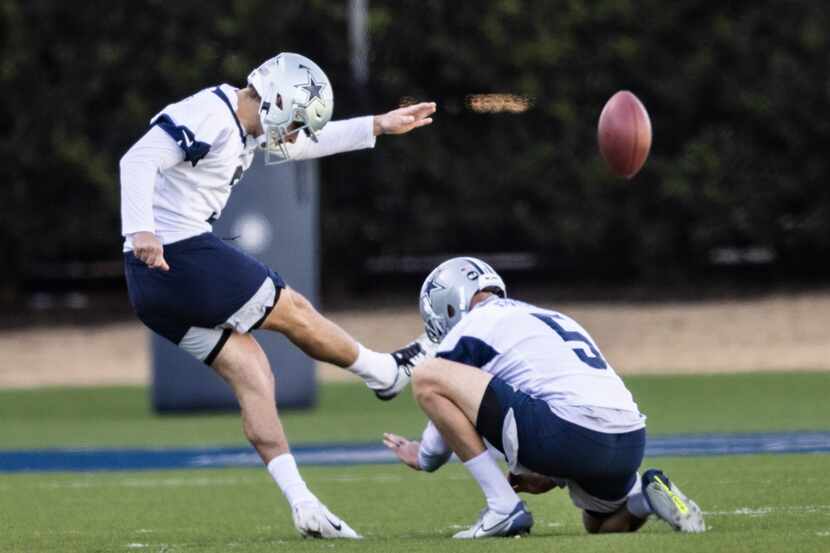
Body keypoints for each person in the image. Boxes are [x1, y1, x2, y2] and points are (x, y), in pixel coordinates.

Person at [120, 52, 435, 539]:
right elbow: (136, 159)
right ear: (276, 102)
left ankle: (302, 503)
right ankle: (385, 373)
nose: (292, 136)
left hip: (151, 286)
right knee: (294, 311)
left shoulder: (245, 127)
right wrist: (142, 228)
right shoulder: (210, 114)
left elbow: (306, 147)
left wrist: (376, 125)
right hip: (177, 256)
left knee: (254, 373)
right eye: (293, 124)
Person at [384, 257, 705, 538]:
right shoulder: (549, 317)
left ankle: (502, 507)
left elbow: (438, 397)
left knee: (426, 375)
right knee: (602, 523)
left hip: (568, 433)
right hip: (629, 441)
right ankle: (644, 496)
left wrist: (422, 456)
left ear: (448, 305)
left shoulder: (474, 323)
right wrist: (553, 471)